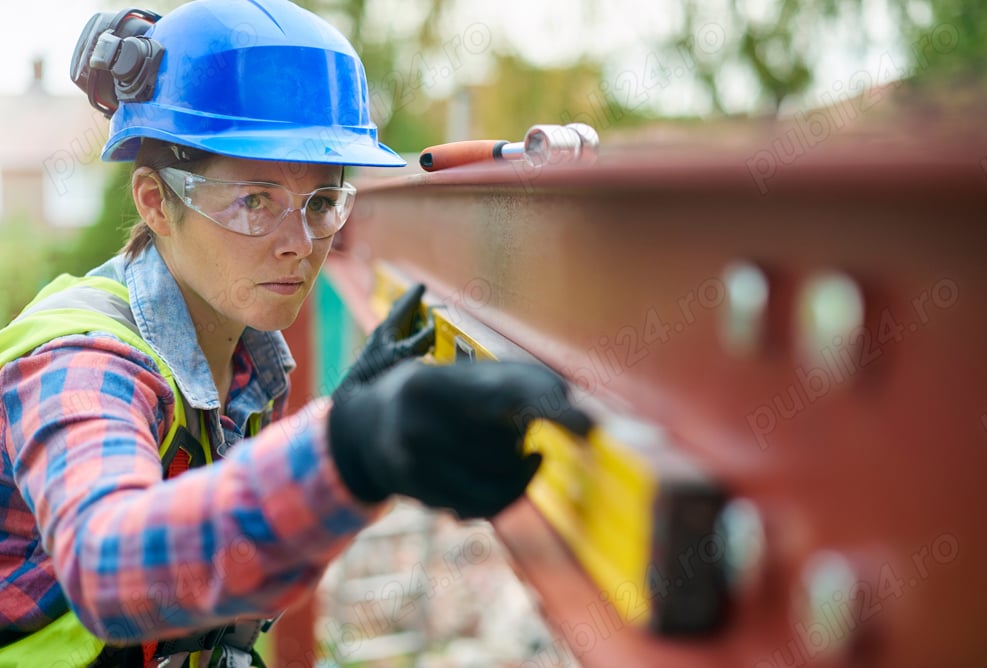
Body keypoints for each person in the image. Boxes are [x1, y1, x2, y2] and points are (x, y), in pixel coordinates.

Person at [0, 1, 591, 666]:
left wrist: (335, 420)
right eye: (255, 202)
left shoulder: (243, 359)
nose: (300, 244)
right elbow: (108, 569)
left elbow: (225, 555)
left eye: (321, 202)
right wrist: (350, 447)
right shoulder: (83, 361)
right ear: (155, 202)